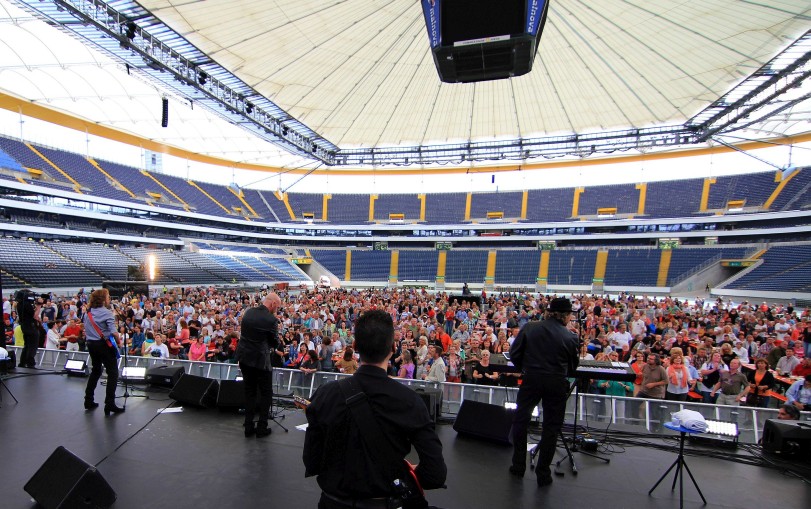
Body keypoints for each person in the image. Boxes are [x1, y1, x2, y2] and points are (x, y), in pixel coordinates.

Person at [303, 310, 447, 508]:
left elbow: (311, 460)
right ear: (393, 348)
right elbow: (435, 474)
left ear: (354, 347)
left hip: (332, 502)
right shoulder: (410, 401)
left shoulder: (325, 394)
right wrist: (409, 475)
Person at [508, 297, 578, 487]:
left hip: (531, 379)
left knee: (520, 421)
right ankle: (543, 473)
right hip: (556, 383)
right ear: (566, 316)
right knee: (551, 428)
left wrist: (527, 368)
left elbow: (514, 354)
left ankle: (518, 466)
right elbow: (572, 369)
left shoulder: (530, 327)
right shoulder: (570, 337)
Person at [235, 293, 281, 438]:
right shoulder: (271, 320)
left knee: (249, 391)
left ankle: (248, 426)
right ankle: (262, 427)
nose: (277, 310)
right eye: (277, 307)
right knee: (266, 392)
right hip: (261, 361)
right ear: (273, 303)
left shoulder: (248, 313)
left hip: (244, 357)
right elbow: (274, 343)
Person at [83, 288, 123, 415]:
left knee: (96, 370)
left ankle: (88, 400)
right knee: (113, 373)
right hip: (103, 345)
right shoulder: (106, 313)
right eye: (108, 296)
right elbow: (113, 332)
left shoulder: (87, 312)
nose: (109, 299)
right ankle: (109, 403)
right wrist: (119, 341)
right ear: (102, 299)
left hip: (91, 344)